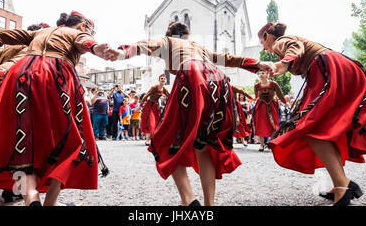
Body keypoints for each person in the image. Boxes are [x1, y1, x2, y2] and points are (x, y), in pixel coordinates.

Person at [0, 11, 110, 206]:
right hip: (12, 93)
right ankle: (43, 200)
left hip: (2, 94)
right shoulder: (38, 48)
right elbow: (12, 65)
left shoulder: (17, 46)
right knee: (50, 146)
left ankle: (18, 193)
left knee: (12, 147)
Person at [106, 21, 275, 206]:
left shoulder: (167, 41)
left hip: (192, 76)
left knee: (166, 141)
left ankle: (188, 200)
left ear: (170, 33)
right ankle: (209, 205)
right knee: (203, 145)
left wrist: (122, 52)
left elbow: (144, 46)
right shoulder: (197, 46)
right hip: (217, 79)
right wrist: (257, 64)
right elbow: (225, 58)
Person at [258, 22, 366, 206]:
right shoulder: (283, 44)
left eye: (262, 42)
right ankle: (341, 182)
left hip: (327, 68)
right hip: (337, 68)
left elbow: (294, 47)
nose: (264, 47)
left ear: (268, 37)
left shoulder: (279, 42)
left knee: (309, 128)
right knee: (323, 129)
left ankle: (342, 185)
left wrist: (283, 65)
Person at [252, 70, 287, 151]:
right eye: (260, 73)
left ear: (267, 75)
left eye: (263, 73)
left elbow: (280, 94)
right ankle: (261, 144)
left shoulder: (273, 84)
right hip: (261, 107)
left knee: (273, 124)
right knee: (261, 125)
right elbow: (256, 96)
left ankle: (272, 143)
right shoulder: (256, 85)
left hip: (271, 106)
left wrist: (284, 102)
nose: (261, 74)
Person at [140, 75, 170, 146]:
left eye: (164, 79)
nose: (163, 80)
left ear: (166, 81)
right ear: (159, 80)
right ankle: (147, 141)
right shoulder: (154, 87)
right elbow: (146, 95)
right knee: (150, 122)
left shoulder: (164, 89)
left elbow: (170, 97)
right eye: (161, 79)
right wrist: (140, 106)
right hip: (149, 106)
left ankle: (154, 140)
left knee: (157, 123)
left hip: (156, 107)